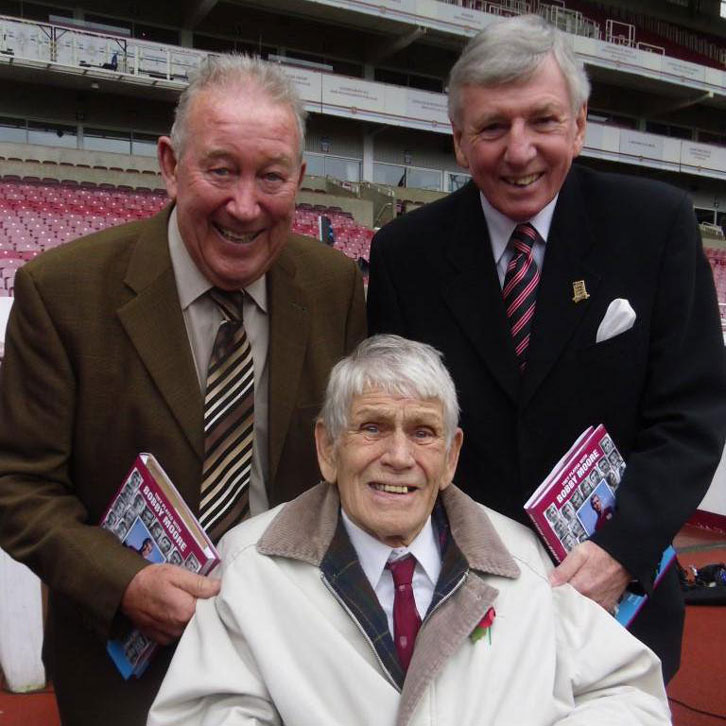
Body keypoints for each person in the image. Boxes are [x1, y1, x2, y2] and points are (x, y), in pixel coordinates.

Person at [0, 55, 365, 725]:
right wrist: (126, 583)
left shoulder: (335, 288)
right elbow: (18, 487)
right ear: (170, 163)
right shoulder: (62, 293)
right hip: (128, 669)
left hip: (295, 661)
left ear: (300, 180)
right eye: (220, 169)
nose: (246, 205)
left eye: (272, 176)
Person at [367, 14, 726, 682]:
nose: (519, 150)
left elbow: (691, 417)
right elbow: (397, 434)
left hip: (619, 604)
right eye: (493, 126)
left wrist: (623, 549)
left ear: (581, 125)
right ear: (458, 140)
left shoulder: (657, 228)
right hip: (464, 609)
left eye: (543, 121)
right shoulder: (404, 256)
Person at [147, 335, 670, 726]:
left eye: (423, 433)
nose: (398, 458)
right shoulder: (249, 568)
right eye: (372, 427)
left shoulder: (523, 562)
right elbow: (201, 716)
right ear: (327, 448)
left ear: (451, 456)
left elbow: (630, 694)